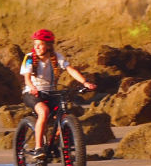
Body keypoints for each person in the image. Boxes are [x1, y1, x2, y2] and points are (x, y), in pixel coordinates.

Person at [20, 28, 96, 159]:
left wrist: (85, 82)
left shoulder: (57, 57)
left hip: (50, 93)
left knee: (64, 116)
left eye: (40, 44)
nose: (36, 46)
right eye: (35, 44)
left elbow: (70, 70)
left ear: (48, 46)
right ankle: (38, 148)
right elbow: (27, 78)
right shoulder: (29, 58)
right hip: (32, 93)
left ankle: (54, 142)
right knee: (43, 112)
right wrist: (32, 87)